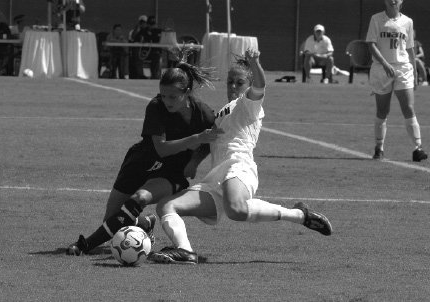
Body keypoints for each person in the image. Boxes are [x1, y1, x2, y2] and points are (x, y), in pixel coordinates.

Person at [148, 49, 333, 265]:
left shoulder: (248, 104)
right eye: (230, 82)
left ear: (248, 85)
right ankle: (185, 251)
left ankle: (299, 215)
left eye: (239, 82)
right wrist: (194, 162)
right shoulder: (220, 113)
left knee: (235, 210)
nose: (233, 87)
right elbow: (211, 142)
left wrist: (255, 62)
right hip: (215, 179)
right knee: (165, 206)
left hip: (238, 167)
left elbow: (261, 86)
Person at [66, 52, 223, 256]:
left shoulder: (203, 113)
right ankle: (144, 223)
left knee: (140, 197)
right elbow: (162, 148)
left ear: (187, 92)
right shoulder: (156, 106)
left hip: (172, 171)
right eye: (164, 95)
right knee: (112, 223)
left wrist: (194, 162)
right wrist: (195, 139)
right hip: (141, 162)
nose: (167, 101)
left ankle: (85, 244)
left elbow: (211, 141)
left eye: (173, 96)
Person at [366, 0, 427, 162]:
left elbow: (409, 48)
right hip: (382, 69)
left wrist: (414, 72)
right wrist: (385, 64)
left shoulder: (408, 21)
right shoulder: (376, 19)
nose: (393, 0)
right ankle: (379, 148)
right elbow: (371, 44)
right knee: (383, 111)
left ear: (401, 2)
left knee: (408, 107)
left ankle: (417, 148)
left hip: (403, 68)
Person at [128, 15, 149, 79]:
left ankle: (141, 73)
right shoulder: (134, 30)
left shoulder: (147, 31)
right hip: (135, 50)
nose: (143, 24)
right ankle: (139, 74)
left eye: (144, 23)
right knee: (137, 56)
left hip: (146, 50)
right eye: (141, 22)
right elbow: (132, 38)